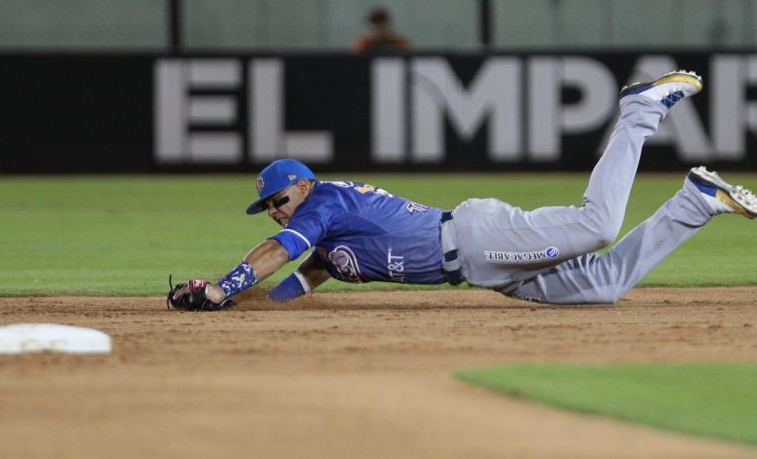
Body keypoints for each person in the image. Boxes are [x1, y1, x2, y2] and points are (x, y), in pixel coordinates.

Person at [168, 70, 757, 311]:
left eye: (276, 201)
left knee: (596, 225)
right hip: (485, 268)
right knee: (604, 285)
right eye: (267, 208)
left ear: (298, 187)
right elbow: (308, 273)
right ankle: (696, 202)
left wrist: (223, 287)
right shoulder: (325, 231)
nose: (273, 213)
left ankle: (639, 112)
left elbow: (280, 253)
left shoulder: (323, 201)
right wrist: (243, 305)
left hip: (475, 238)